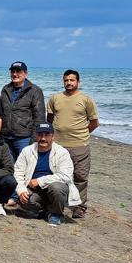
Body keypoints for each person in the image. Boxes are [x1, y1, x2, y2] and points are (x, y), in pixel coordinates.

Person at [47, 69, 98, 219]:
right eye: (66, 80)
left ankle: (79, 208)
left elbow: (94, 122)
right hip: (58, 145)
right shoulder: (55, 98)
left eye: (72, 80)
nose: (69, 83)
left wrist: (81, 135)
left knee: (80, 177)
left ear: (78, 82)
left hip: (79, 145)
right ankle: (56, 205)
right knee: (57, 176)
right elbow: (49, 120)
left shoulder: (86, 99)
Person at [13, 123, 82, 226]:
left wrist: (40, 181)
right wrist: (21, 190)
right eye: (40, 135)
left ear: (53, 136)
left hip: (54, 188)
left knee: (56, 188)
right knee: (24, 198)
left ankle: (56, 214)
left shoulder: (62, 153)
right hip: (34, 190)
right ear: (36, 136)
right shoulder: (27, 151)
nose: (43, 138)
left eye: (47, 135)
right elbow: (18, 172)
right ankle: (44, 211)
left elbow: (65, 176)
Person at [0, 61, 46, 161]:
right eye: (13, 72)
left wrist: (35, 139)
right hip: (6, 137)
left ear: (25, 73)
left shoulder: (34, 90)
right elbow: (1, 112)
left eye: (18, 71)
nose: (15, 74)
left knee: (25, 166)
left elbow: (40, 117)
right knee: (9, 167)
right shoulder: (5, 89)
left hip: (24, 137)